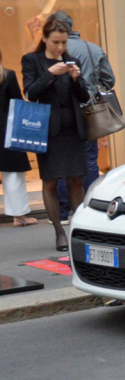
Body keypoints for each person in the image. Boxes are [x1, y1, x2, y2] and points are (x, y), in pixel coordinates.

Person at [22, 18, 90, 251]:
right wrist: (50, 73)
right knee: (50, 181)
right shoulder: (32, 60)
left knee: (76, 180)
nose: (60, 48)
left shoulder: (72, 60)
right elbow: (30, 92)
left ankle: (79, 231)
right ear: (44, 39)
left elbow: (83, 97)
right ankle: (59, 233)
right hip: (49, 131)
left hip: (74, 130)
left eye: (63, 42)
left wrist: (76, 79)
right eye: (55, 42)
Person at [49, 12, 114, 212]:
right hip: (88, 112)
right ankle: (90, 207)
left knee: (61, 161)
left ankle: (65, 207)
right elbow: (109, 81)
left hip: (60, 113)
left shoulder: (50, 51)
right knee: (89, 159)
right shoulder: (92, 48)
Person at [0, 46, 36, 226]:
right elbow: (17, 104)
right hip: (6, 130)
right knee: (13, 175)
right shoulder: (7, 75)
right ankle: (19, 216)